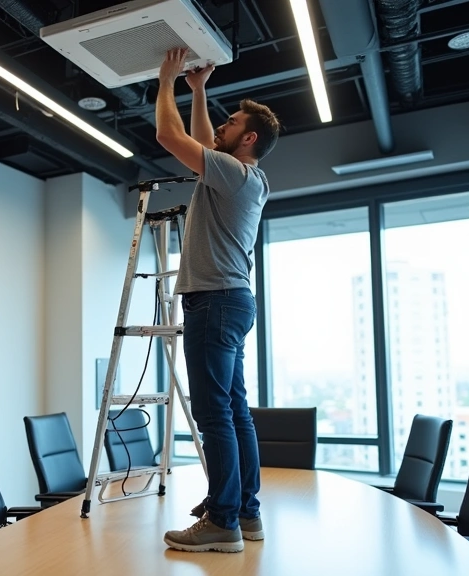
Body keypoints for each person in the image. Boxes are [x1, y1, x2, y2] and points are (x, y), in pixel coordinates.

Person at [153, 47, 281, 553]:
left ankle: (223, 521)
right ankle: (245, 513)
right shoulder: (249, 177)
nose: (222, 127)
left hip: (213, 302)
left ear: (248, 137)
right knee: (234, 412)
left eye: (232, 122)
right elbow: (205, 140)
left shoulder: (234, 174)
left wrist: (165, 80)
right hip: (232, 300)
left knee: (215, 416)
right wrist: (199, 90)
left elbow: (170, 136)